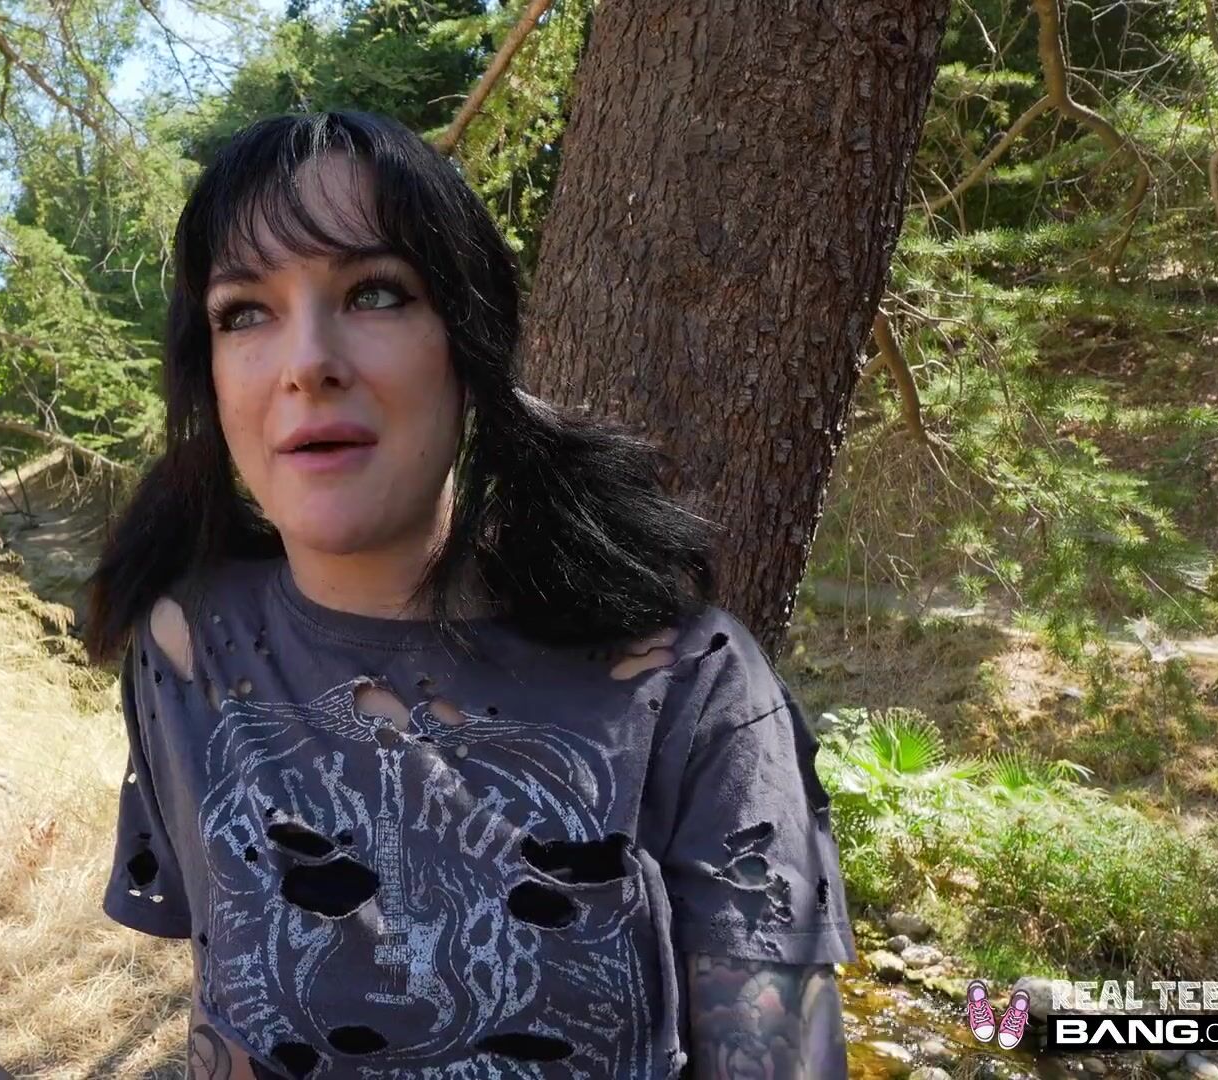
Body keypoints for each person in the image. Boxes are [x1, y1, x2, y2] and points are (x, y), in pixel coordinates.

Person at [83, 110, 854, 1080]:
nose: (306, 363)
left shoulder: (693, 687)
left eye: (374, 293)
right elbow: (231, 999)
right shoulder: (189, 647)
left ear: (470, 342)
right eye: (244, 312)